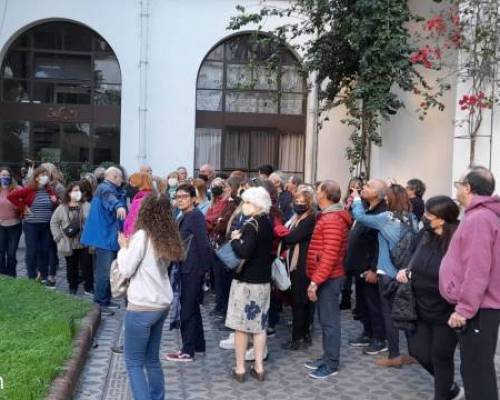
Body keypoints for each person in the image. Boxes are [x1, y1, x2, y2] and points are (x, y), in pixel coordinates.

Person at [440, 166, 500, 400]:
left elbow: (478, 268)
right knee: (474, 368)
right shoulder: (480, 215)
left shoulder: (480, 218)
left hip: (479, 310)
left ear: (468, 187)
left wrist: (464, 309)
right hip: (480, 308)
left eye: (459, 184)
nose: (457, 189)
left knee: (477, 370)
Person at [117, 193, 184, 400]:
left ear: (145, 211)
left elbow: (126, 270)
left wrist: (123, 249)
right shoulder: (167, 236)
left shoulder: (142, 236)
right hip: (161, 304)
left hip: (142, 306)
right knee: (152, 359)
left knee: (134, 362)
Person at [395, 196, 463, 400]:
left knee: (441, 357)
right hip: (420, 306)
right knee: (418, 351)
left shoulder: (458, 240)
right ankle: (449, 385)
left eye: (428, 215)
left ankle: (443, 393)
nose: (423, 217)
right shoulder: (425, 235)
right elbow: (413, 260)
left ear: (441, 219)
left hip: (446, 309)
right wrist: (407, 271)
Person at [351, 181, 417, 368]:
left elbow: (360, 216)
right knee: (406, 311)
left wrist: (356, 198)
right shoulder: (412, 218)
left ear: (390, 199)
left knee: (389, 315)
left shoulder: (386, 217)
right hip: (405, 273)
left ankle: (394, 355)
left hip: (388, 274)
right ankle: (412, 353)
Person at [224, 187, 273, 382]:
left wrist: (236, 240)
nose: (244, 206)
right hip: (263, 280)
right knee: (259, 326)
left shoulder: (252, 224)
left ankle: (241, 368)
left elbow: (245, 251)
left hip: (246, 282)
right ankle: (259, 368)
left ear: (258, 205)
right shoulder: (267, 223)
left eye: (247, 202)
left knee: (241, 327)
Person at [304, 180, 352, 379]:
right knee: (325, 320)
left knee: (330, 322)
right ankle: (327, 357)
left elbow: (330, 255)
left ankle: (331, 364)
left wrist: (315, 281)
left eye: (317, 190)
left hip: (329, 279)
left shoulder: (332, 219)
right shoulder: (329, 216)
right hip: (327, 277)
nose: (315, 193)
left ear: (324, 194)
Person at [165, 184, 211, 362]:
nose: (181, 199)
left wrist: (205, 271)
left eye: (184, 196)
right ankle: (199, 345)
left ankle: (187, 350)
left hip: (193, 269)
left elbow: (203, 244)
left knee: (188, 310)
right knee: (192, 308)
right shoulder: (183, 215)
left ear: (193, 198)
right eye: (178, 197)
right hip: (185, 267)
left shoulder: (195, 216)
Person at [345, 179, 387, 356]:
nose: (364, 188)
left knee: (374, 303)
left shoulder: (382, 213)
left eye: (368, 186)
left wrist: (373, 268)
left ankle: (379, 338)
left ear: (377, 194)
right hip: (359, 265)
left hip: (370, 267)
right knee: (363, 303)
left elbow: (379, 245)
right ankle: (367, 332)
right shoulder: (366, 207)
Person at [81, 166, 127, 313]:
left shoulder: (107, 187)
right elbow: (111, 199)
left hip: (107, 236)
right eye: (121, 177)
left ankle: (105, 300)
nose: (122, 180)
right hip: (104, 238)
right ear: (114, 177)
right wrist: (119, 206)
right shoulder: (105, 188)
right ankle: (99, 303)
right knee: (104, 272)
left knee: (108, 270)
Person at [8, 166, 59, 284]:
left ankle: (44, 275)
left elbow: (55, 203)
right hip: (32, 225)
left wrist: (55, 201)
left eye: (46, 175)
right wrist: (23, 206)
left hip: (46, 225)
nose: (45, 177)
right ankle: (32, 276)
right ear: (36, 177)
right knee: (32, 251)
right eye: (42, 175)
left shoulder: (49, 190)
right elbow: (11, 196)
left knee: (45, 250)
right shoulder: (29, 189)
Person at [280, 189, 316, 350]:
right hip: (296, 262)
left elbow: (291, 237)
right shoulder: (297, 217)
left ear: (309, 204)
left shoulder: (309, 220)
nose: (299, 205)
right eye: (297, 201)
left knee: (300, 301)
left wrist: (281, 233)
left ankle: (298, 338)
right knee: (300, 301)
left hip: (302, 264)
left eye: (303, 203)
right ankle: (303, 334)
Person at [50, 181, 93, 295]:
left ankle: (89, 288)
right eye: (75, 190)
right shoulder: (62, 207)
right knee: (71, 266)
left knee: (87, 266)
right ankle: (72, 287)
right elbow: (54, 222)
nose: (77, 192)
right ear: (69, 193)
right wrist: (58, 237)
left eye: (79, 190)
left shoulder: (87, 205)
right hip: (69, 243)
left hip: (85, 242)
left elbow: (94, 222)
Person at [206, 178, 237, 319]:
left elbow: (222, 224)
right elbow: (208, 219)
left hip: (223, 245)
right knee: (218, 277)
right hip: (214, 244)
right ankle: (219, 305)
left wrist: (215, 223)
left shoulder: (230, 204)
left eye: (220, 186)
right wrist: (214, 222)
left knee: (223, 278)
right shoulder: (214, 202)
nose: (217, 189)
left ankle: (223, 307)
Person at [340, 177, 364, 311]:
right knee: (346, 269)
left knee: (356, 269)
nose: (355, 187)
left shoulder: (362, 203)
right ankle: (345, 299)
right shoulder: (346, 201)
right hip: (346, 236)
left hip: (357, 237)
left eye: (358, 185)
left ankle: (359, 304)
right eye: (352, 185)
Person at [0, 167, 22, 277]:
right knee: (0, 252)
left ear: (11, 177)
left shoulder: (17, 189)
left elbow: (24, 206)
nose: (5, 177)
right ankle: (2, 275)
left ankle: (11, 276)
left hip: (14, 226)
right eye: (3, 175)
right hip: (1, 226)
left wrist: (18, 206)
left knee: (11, 253)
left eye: (7, 175)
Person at [123, 173, 153, 238]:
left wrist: (128, 233)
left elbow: (133, 218)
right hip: (135, 234)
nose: (130, 184)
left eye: (133, 182)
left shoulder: (142, 198)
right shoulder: (141, 196)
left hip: (135, 235)